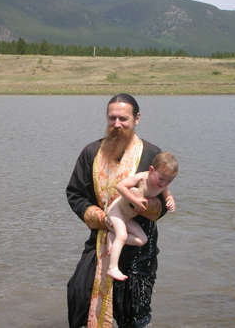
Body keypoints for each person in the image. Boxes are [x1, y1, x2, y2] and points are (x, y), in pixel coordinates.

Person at [66, 93, 168, 328]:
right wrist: (103, 218)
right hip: (100, 240)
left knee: (135, 314)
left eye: (123, 118)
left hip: (139, 251)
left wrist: (142, 205)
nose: (117, 124)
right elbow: (75, 194)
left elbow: (162, 202)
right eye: (112, 118)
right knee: (79, 294)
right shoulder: (91, 152)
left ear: (137, 118)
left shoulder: (152, 155)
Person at [106, 151, 178, 281]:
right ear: (151, 170)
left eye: (169, 181)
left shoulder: (162, 186)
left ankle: (112, 237)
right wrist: (134, 201)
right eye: (161, 178)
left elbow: (167, 195)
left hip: (127, 217)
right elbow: (120, 186)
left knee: (142, 240)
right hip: (116, 212)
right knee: (122, 235)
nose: (163, 183)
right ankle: (112, 267)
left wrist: (170, 201)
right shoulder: (141, 178)